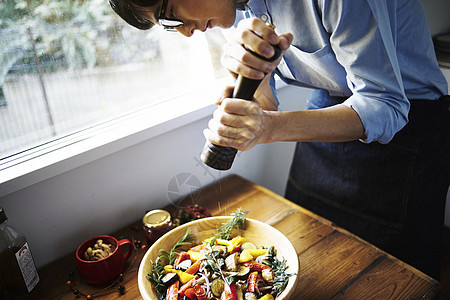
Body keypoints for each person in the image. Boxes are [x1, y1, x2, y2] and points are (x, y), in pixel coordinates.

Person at [109, 0, 450, 279]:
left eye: (168, 17)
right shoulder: (235, 8)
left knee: (395, 277)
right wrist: (249, 92)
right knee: (311, 253)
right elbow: (268, 103)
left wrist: (268, 129)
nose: (184, 32)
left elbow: (386, 105)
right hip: (328, 104)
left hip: (411, 126)